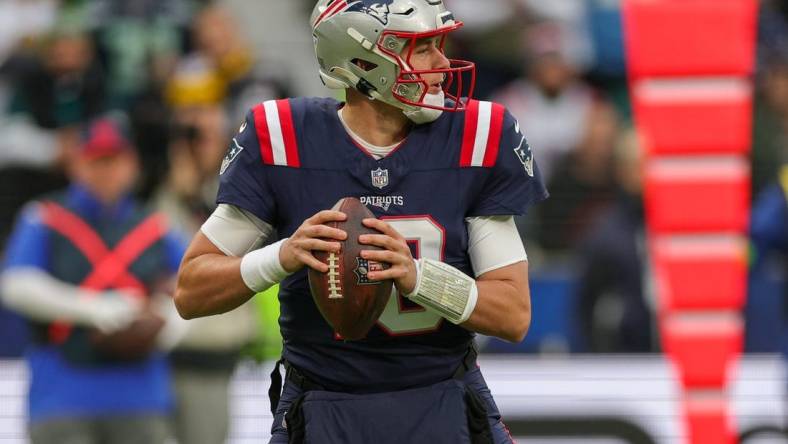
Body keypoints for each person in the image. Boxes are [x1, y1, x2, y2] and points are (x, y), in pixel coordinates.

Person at [174, 1, 548, 443]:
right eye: (422, 48)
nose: (443, 65)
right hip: (323, 404)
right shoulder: (282, 137)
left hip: (441, 397)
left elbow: (514, 313)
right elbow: (190, 290)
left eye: (439, 45)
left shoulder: (478, 135)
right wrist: (282, 256)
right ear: (363, 61)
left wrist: (418, 278)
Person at [0, 115, 186, 444]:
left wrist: (167, 326)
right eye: (96, 160)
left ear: (133, 164)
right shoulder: (44, 216)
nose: (106, 171)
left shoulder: (157, 226)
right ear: (77, 164)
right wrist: (95, 308)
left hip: (140, 396)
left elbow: (194, 287)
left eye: (114, 160)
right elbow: (16, 284)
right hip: (61, 396)